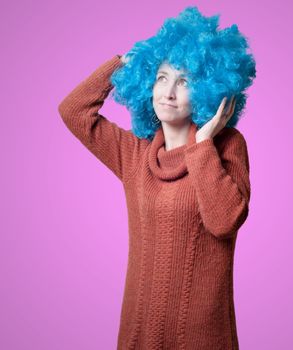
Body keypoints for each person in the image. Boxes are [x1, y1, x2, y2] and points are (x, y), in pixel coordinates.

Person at [58, 6, 256, 350]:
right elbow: (73, 111)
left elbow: (225, 221)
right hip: (139, 332)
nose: (169, 91)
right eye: (162, 77)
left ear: (210, 89)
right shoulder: (134, 156)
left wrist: (203, 144)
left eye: (185, 81)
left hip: (202, 338)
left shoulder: (227, 147)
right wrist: (123, 62)